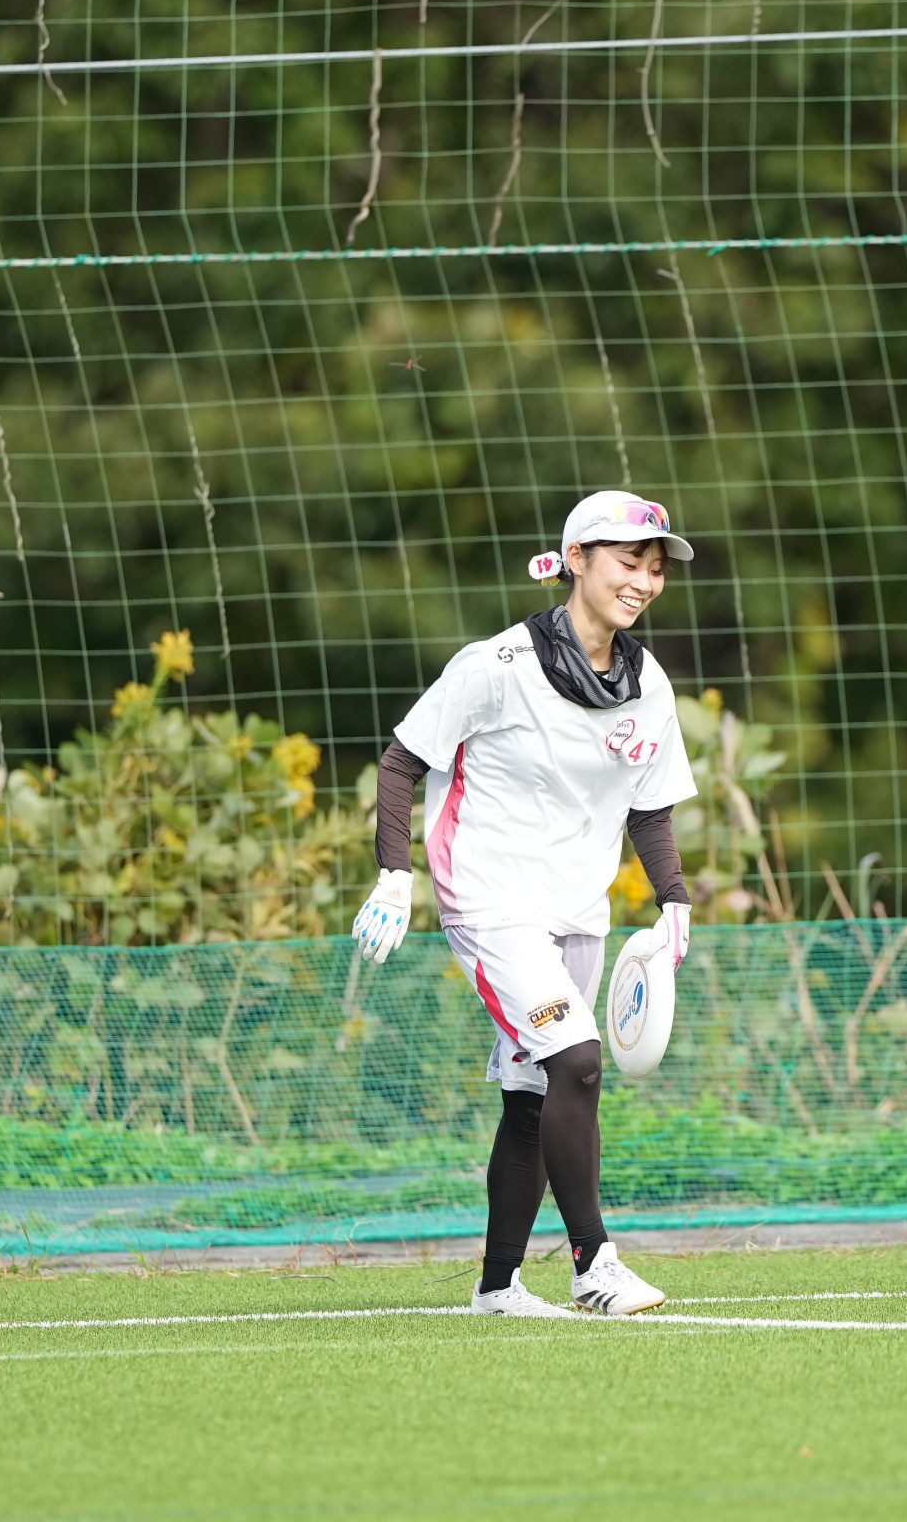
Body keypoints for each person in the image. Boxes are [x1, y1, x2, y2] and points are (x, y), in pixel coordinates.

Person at [351, 491, 698, 1317]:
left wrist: (675, 901)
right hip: (489, 900)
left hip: (579, 911)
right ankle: (594, 1265)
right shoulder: (496, 665)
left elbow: (650, 810)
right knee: (576, 1059)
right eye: (628, 561)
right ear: (576, 560)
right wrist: (395, 874)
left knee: (534, 1095)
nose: (643, 581)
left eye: (655, 569)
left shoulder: (648, 682)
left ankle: (498, 1286)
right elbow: (401, 762)